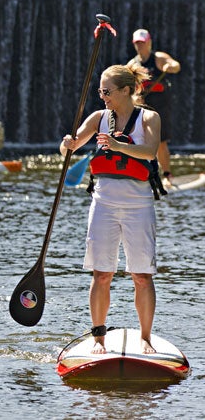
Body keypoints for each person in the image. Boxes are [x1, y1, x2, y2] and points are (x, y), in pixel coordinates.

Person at [60, 64, 161, 355]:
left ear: (127, 90)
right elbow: (72, 145)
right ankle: (99, 338)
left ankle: (145, 338)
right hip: (103, 203)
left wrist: (118, 146)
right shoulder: (98, 118)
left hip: (138, 205)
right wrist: (66, 145)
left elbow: (150, 151)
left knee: (141, 276)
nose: (102, 96)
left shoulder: (149, 118)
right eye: (100, 91)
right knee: (101, 274)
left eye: (107, 91)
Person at [127, 28, 181, 185]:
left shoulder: (158, 58)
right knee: (139, 141)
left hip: (160, 107)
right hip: (141, 107)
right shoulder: (132, 64)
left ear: (149, 42)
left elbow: (176, 65)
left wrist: (169, 67)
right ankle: (143, 174)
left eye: (142, 43)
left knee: (161, 142)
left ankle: (167, 175)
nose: (140, 46)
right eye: (137, 43)